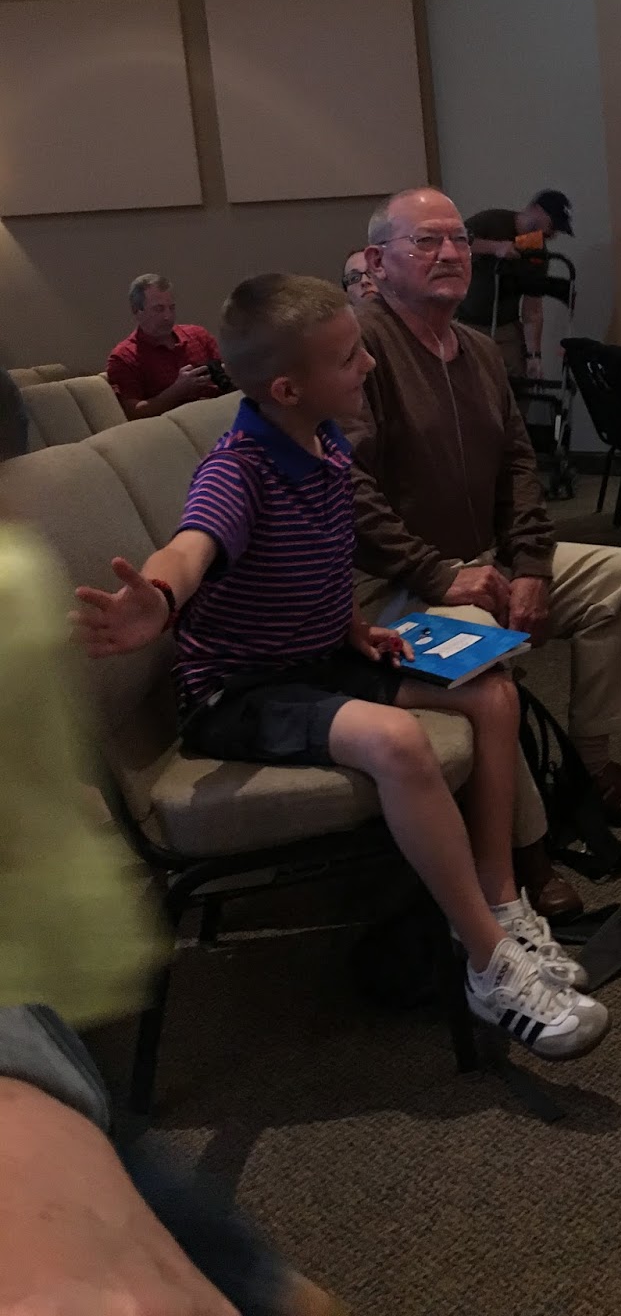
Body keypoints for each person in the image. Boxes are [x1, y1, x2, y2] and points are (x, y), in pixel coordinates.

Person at [76, 273, 608, 1063]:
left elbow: (303, 568)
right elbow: (193, 546)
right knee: (397, 741)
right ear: (288, 388)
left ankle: (504, 905)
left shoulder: (323, 445)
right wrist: (158, 596)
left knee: (494, 695)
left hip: (318, 658)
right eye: (350, 356)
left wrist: (352, 626)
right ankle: (487, 962)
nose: (369, 365)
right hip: (241, 695)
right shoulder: (237, 469)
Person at [0, 506, 340, 1311]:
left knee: (102, 1148)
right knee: (113, 1144)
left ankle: (258, 1283)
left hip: (31, 946)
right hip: (56, 925)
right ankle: (262, 1283)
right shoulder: (16, 559)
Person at [355, 189, 621, 850]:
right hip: (393, 585)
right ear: (377, 261)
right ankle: (526, 844)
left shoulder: (478, 350)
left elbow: (517, 465)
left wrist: (533, 566)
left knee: (620, 576)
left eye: (458, 239)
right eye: (426, 241)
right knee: (481, 639)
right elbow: (344, 486)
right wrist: (438, 574)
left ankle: (591, 772)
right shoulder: (360, 347)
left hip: (486, 561)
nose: (450, 253)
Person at [459, 188, 573, 379]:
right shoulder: (492, 220)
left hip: (506, 328)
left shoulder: (537, 251)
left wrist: (534, 356)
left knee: (516, 380)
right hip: (467, 324)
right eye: (552, 225)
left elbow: (532, 309)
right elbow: (454, 243)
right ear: (537, 210)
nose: (551, 234)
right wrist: (494, 247)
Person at [107, 273, 225, 420]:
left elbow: (228, 375)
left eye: (171, 308)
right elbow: (133, 413)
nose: (168, 316)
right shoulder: (124, 357)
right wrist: (176, 391)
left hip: (219, 413)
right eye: (159, 309)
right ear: (136, 311)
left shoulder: (198, 335)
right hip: (176, 424)